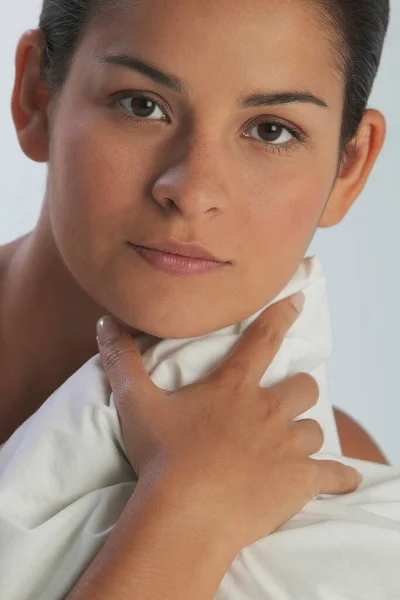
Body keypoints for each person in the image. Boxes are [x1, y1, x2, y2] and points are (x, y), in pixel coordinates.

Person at [0, 0, 395, 598]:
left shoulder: (336, 487)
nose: (193, 190)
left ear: (350, 166)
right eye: (142, 105)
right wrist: (184, 520)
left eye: (271, 130)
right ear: (36, 96)